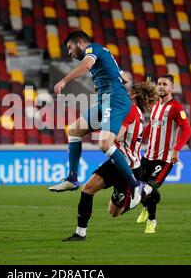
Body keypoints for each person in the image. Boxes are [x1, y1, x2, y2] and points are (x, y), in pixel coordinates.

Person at [49, 30, 152, 208]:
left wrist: (64, 81)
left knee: (105, 144)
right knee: (74, 130)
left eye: (69, 47)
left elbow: (88, 65)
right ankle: (72, 178)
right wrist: (104, 82)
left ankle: (136, 186)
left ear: (80, 42)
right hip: (105, 99)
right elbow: (125, 78)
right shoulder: (106, 54)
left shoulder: (92, 49)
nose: (69, 52)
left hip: (114, 100)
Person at [63, 79, 160, 241]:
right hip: (120, 161)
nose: (123, 93)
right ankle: (80, 233)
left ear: (134, 95)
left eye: (127, 91)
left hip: (126, 165)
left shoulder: (128, 109)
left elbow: (117, 135)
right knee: (109, 208)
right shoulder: (134, 111)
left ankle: (142, 190)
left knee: (92, 192)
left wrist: (106, 128)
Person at [136, 74, 191, 233]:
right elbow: (150, 127)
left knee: (149, 187)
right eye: (159, 83)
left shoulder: (175, 107)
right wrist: (138, 139)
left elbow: (187, 130)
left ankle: (152, 222)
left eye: (165, 84)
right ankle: (147, 208)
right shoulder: (155, 106)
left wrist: (176, 149)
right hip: (148, 156)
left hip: (164, 159)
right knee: (138, 188)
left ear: (171, 88)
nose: (161, 86)